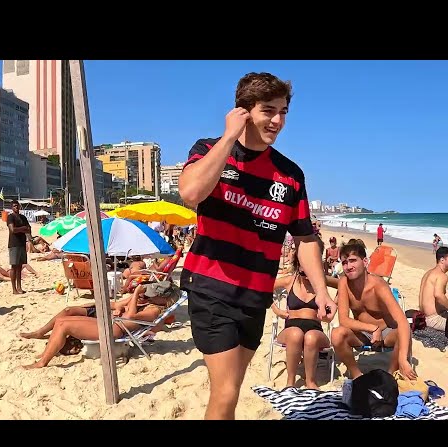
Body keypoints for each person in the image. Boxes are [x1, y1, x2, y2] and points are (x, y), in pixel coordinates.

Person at [177, 72, 337, 420]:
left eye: (283, 112)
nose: (278, 120)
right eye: (269, 110)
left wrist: (322, 290)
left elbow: (305, 237)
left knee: (231, 390)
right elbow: (191, 192)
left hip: (254, 295)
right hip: (211, 286)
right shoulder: (209, 150)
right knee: (226, 390)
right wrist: (229, 137)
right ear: (244, 111)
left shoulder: (290, 174)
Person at [19, 282, 182, 368]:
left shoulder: (154, 311)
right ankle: (46, 354)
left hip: (114, 330)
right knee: (62, 321)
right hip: (112, 323)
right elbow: (124, 309)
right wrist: (133, 299)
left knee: (64, 326)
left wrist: (135, 295)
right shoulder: (150, 303)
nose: (149, 296)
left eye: (154, 295)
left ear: (165, 300)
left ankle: (42, 363)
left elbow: (131, 316)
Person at [331, 240, 415, 380]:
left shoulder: (379, 285)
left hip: (386, 332)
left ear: (365, 262)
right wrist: (372, 328)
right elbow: (344, 320)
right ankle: (357, 375)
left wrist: (403, 359)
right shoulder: (344, 283)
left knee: (404, 333)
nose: (348, 266)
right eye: (344, 262)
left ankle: (390, 374)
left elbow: (402, 321)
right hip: (362, 332)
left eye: (353, 261)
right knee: (337, 334)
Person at [271, 236, 339, 389]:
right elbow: (265, 288)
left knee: (310, 337)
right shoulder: (290, 280)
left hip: (315, 329)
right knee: (296, 334)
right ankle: (290, 381)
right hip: (290, 329)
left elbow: (344, 285)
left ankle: (311, 382)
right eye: (303, 270)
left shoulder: (321, 281)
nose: (306, 274)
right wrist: (277, 310)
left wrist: (334, 304)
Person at [419, 246, 448, 333]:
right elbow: (438, 295)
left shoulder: (428, 273)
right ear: (442, 260)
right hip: (434, 319)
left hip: (423, 316)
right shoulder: (442, 275)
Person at [7, 200, 31, 294]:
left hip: (22, 243)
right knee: (13, 266)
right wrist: (23, 229)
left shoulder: (23, 217)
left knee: (20, 266)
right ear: (12, 208)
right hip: (14, 244)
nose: (16, 207)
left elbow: (29, 229)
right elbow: (12, 230)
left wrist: (24, 230)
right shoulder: (10, 217)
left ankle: (19, 287)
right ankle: (14, 289)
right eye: (14, 206)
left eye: (17, 206)